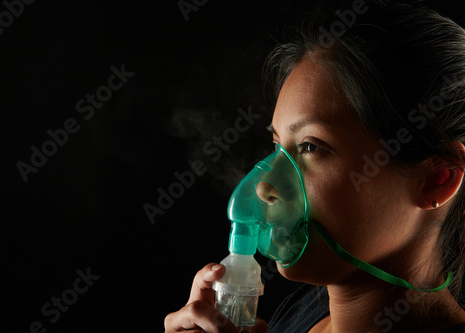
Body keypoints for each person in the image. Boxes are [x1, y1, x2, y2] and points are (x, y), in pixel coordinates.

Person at [164, 0, 465, 331]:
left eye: (310, 146)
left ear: (438, 178)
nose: (263, 185)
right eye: (278, 145)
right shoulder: (300, 313)